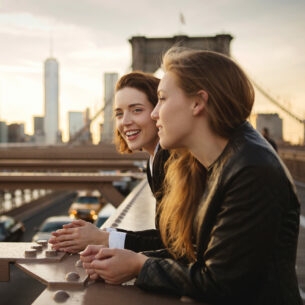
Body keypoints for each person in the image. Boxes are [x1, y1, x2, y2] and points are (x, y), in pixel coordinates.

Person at [80, 47, 302, 305]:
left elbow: (220, 283)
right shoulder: (221, 161)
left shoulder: (251, 170)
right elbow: (193, 253)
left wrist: (140, 266)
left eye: (161, 99)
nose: (154, 113)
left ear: (197, 103)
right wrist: (119, 255)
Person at [49, 71, 170, 253]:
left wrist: (106, 239)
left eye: (137, 110)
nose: (125, 121)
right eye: (119, 114)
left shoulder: (170, 160)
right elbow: (168, 239)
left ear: (158, 112)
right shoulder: (154, 161)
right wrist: (105, 235)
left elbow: (179, 247)